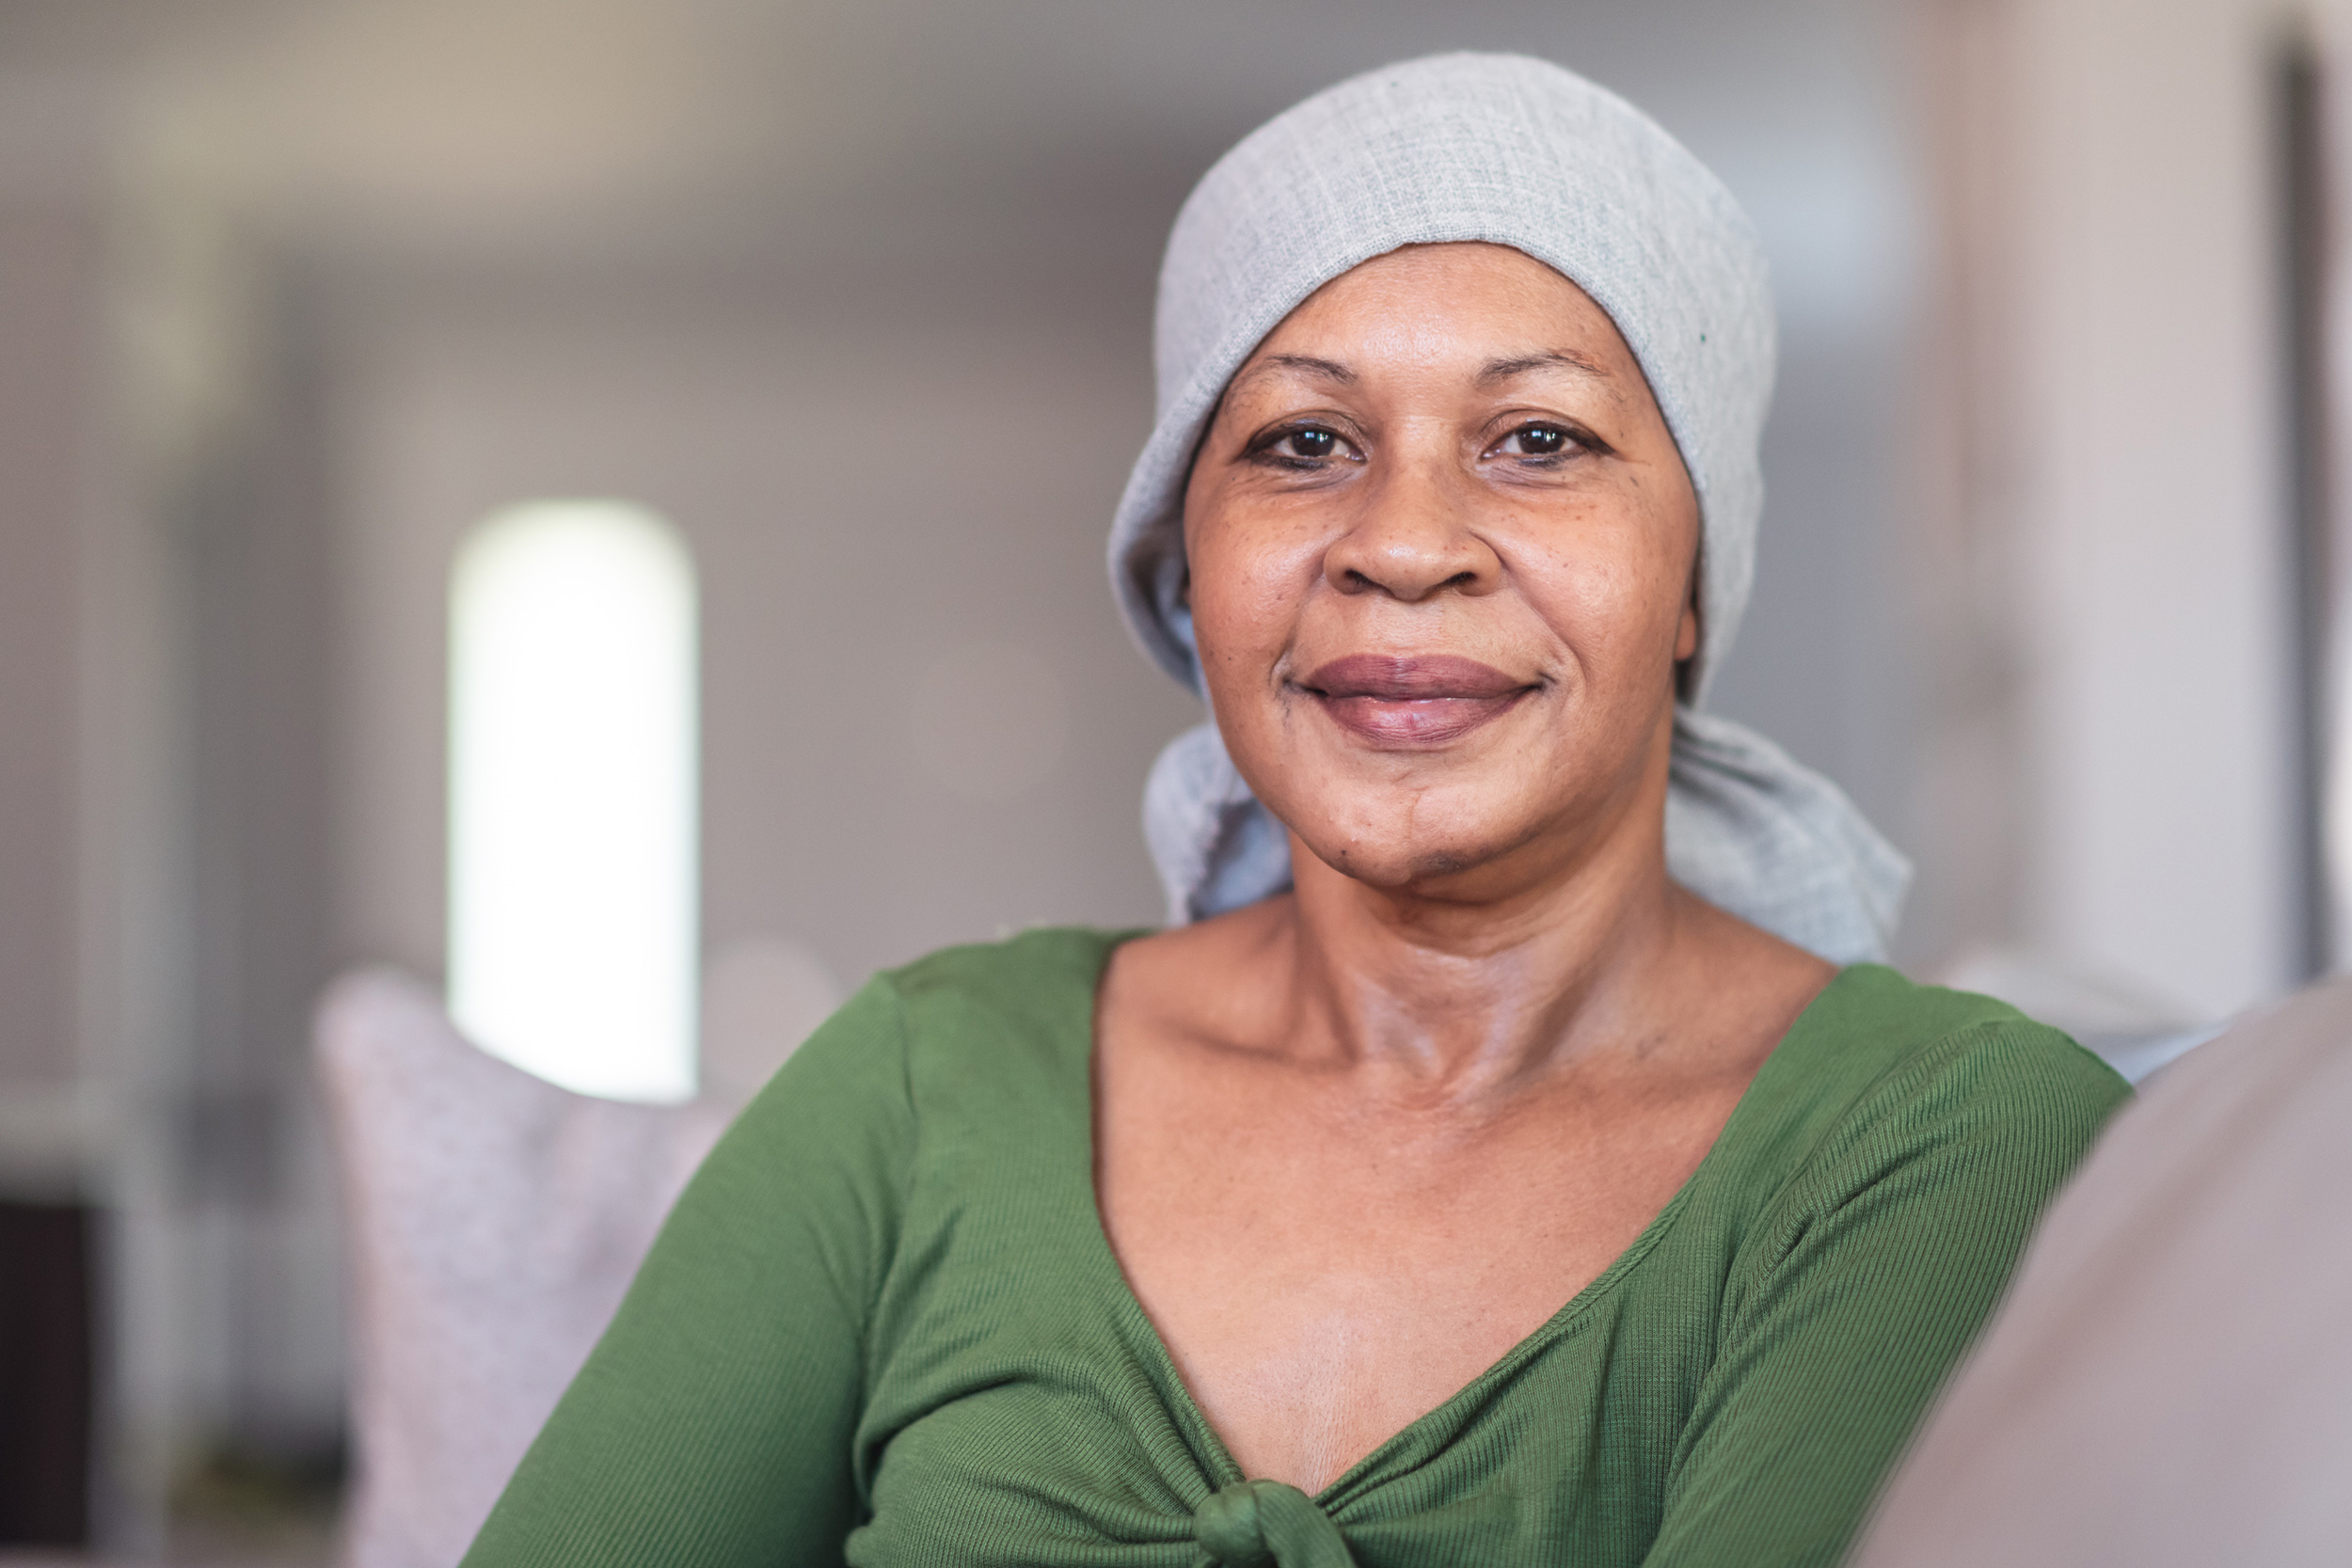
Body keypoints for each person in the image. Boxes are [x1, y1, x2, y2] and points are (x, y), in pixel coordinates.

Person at [460, 54, 2127, 1567]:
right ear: (1190, 571)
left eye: (1538, 438)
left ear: (1694, 577)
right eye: (1304, 441)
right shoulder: (923, 1086)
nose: (1405, 543)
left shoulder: (1949, 1142)